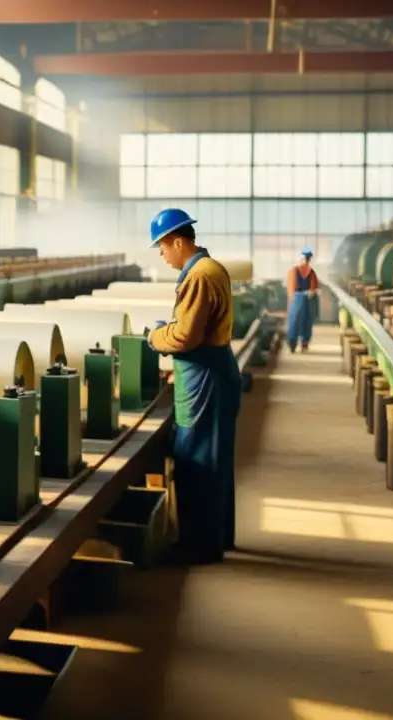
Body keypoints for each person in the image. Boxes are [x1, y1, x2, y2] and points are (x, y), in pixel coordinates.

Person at [146, 208, 242, 564]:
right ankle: (216, 539)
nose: (162, 254)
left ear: (179, 241)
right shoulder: (209, 268)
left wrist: (156, 337)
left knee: (196, 461)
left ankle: (198, 548)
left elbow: (186, 336)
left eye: (162, 247)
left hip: (205, 382)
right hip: (210, 374)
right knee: (215, 464)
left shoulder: (200, 275)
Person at [286, 247, 319, 353]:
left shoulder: (310, 272)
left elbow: (314, 286)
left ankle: (303, 343)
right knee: (296, 321)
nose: (307, 260)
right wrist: (293, 296)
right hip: (298, 298)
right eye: (306, 258)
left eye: (308, 258)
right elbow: (291, 285)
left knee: (305, 321)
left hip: (305, 299)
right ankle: (293, 343)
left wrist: (312, 291)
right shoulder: (295, 271)